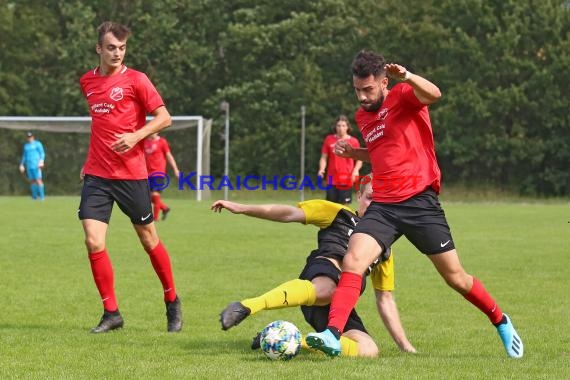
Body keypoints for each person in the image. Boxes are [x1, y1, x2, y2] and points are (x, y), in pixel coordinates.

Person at [305, 50, 524, 358]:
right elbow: (383, 152)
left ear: (384, 83)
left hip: (419, 201)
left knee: (456, 278)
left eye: (368, 89)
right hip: (383, 204)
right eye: (357, 90)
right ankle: (332, 334)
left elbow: (434, 93)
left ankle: (500, 320)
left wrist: (407, 75)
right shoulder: (362, 117)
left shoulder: (405, 94)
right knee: (354, 257)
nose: (362, 97)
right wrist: (356, 155)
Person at [212, 176, 416, 357]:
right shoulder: (339, 213)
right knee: (330, 288)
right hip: (319, 277)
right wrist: (242, 208)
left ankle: (287, 341)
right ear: (359, 195)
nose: (374, 205)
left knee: (368, 350)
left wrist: (405, 346)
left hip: (338, 308)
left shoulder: (384, 248)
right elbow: (288, 213)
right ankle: (247, 306)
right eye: (370, 197)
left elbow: (385, 299)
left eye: (381, 201)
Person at [78, 21, 182, 333]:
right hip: (97, 175)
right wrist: (90, 160)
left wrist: (136, 136)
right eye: (111, 47)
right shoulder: (87, 81)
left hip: (131, 175)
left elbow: (164, 118)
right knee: (93, 240)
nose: (117, 53)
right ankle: (112, 313)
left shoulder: (137, 80)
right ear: (99, 48)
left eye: (122, 48)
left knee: (149, 239)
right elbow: (102, 125)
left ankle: (172, 301)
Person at [317, 115, 362, 205]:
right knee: (331, 207)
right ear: (335, 127)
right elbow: (324, 157)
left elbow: (359, 159)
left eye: (343, 126)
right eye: (339, 125)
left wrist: (356, 171)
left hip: (347, 178)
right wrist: (322, 169)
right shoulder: (329, 139)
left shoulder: (354, 141)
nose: (341, 128)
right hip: (331, 179)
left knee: (344, 208)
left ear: (347, 127)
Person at [144, 133, 181, 221]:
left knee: (155, 194)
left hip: (158, 172)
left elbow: (169, 156)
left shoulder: (162, 142)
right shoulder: (144, 142)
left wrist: (176, 169)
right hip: (146, 173)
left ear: (157, 132)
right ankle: (164, 208)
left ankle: (155, 219)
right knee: (148, 197)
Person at [19, 131, 45, 200]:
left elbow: (42, 153)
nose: (29, 138)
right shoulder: (26, 146)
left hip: (36, 165)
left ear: (33, 137)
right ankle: (34, 197)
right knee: (32, 181)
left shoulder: (37, 144)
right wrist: (22, 164)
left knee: (38, 180)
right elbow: (24, 156)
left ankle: (42, 197)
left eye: (30, 137)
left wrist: (41, 161)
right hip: (29, 165)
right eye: (28, 137)